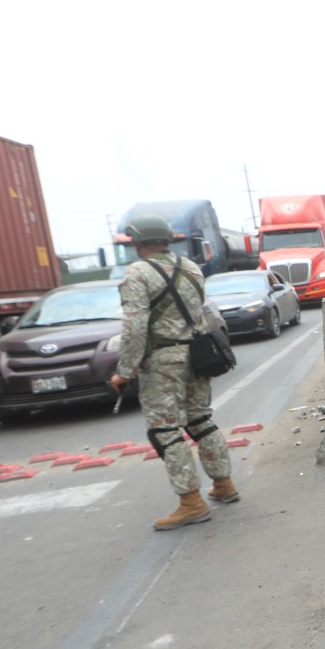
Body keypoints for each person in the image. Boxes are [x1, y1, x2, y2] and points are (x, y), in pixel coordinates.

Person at [110, 214, 237, 531]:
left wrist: (124, 370)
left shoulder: (137, 273)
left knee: (165, 430)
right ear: (167, 239)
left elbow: (135, 328)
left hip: (163, 361)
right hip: (196, 355)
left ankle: (191, 503)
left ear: (138, 243)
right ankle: (223, 484)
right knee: (200, 420)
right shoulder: (191, 267)